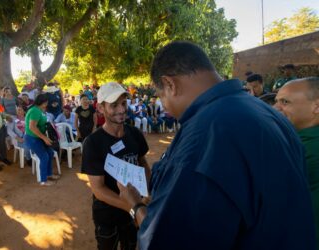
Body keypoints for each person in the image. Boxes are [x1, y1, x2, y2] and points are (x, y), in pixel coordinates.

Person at [117, 41, 316, 250]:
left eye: (161, 96)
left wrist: (135, 206)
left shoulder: (202, 140)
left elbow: (162, 240)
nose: (165, 107)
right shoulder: (270, 114)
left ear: (170, 85)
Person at [82, 82, 150, 250]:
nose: (121, 110)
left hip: (133, 213)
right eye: (114, 105)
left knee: (131, 246)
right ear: (100, 108)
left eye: (123, 103)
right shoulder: (93, 143)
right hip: (107, 215)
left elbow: (143, 163)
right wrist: (133, 207)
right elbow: (98, 189)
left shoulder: (134, 134)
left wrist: (146, 193)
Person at [274, 77, 319, 246]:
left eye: (285, 102)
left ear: (317, 106)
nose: (275, 108)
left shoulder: (302, 148)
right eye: (276, 101)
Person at [25, 93, 59, 186]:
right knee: (44, 157)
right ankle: (43, 180)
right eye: (46, 102)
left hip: (40, 137)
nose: (47, 104)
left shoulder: (40, 110)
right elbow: (32, 127)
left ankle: (49, 174)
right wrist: (44, 138)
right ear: (42, 102)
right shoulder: (35, 111)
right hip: (33, 138)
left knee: (50, 153)